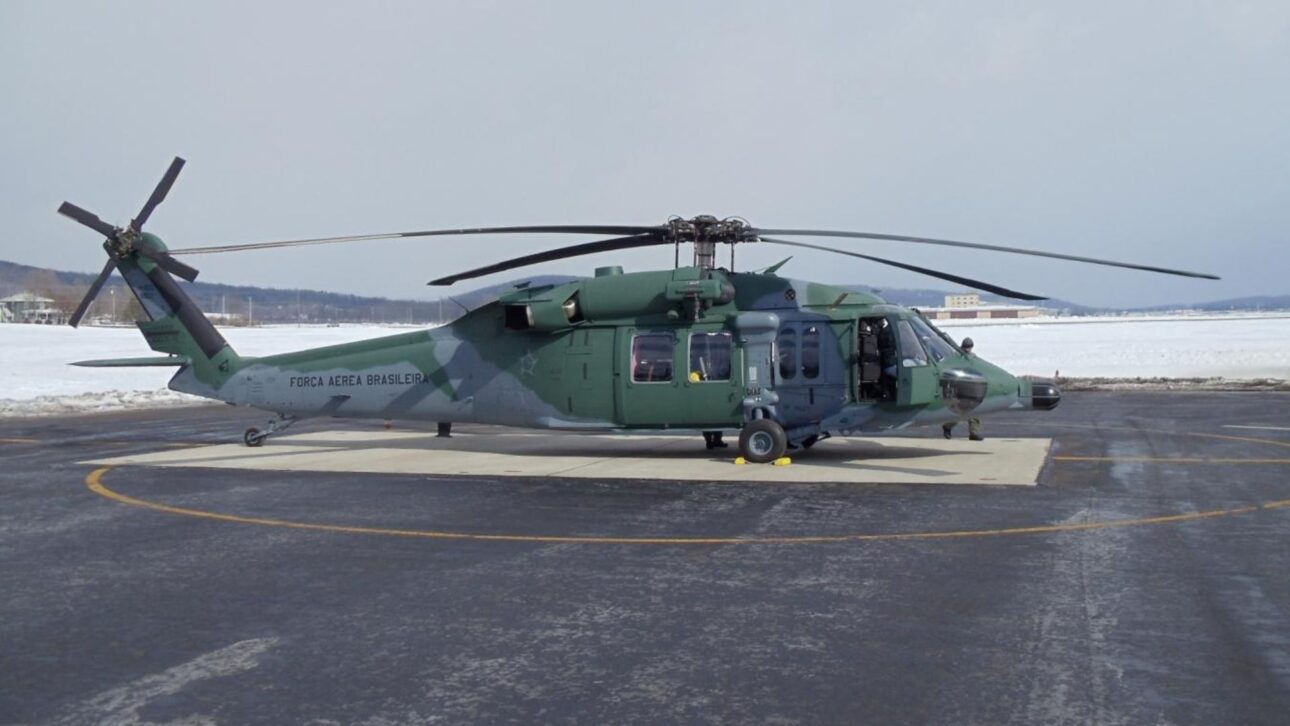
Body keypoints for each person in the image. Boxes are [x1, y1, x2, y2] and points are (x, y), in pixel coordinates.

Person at [942, 337, 984, 441]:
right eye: (966, 347)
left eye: (969, 347)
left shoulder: (973, 358)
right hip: (960, 389)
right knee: (960, 413)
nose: (967, 350)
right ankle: (947, 426)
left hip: (971, 388)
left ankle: (974, 433)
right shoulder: (956, 357)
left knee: (975, 411)